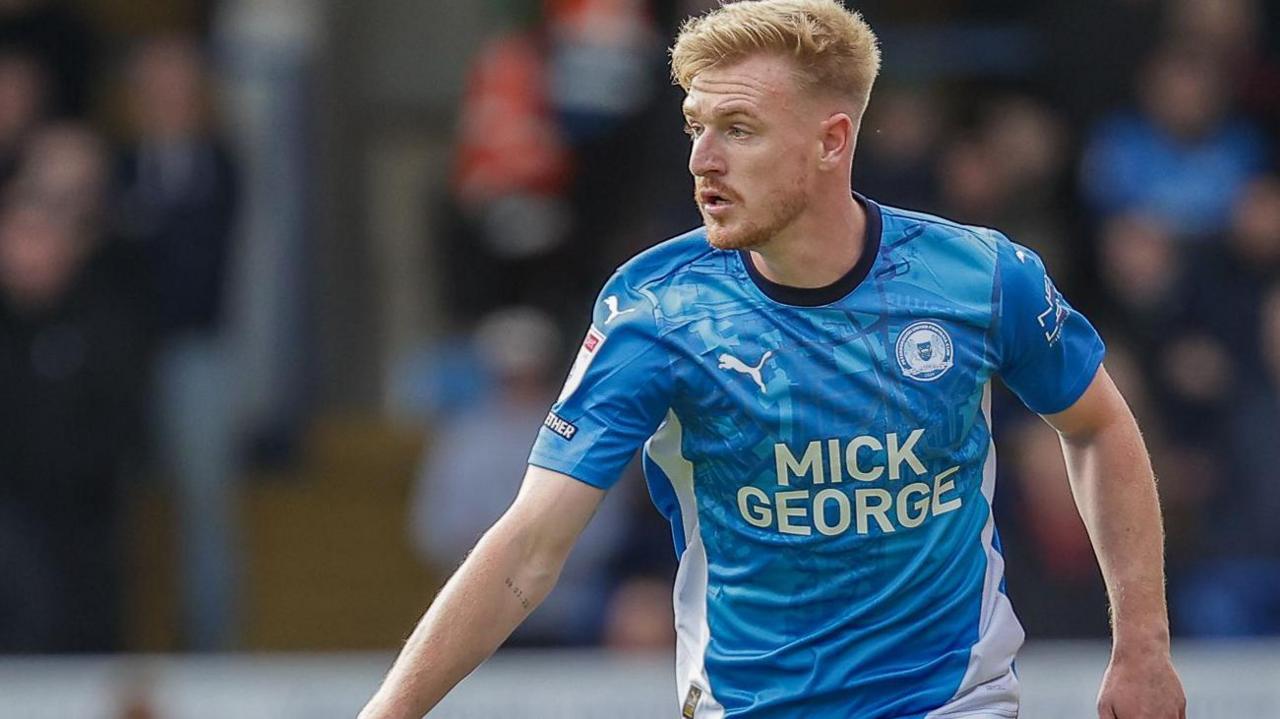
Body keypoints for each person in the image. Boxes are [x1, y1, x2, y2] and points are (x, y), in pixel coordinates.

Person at [361, 2, 1186, 717]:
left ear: (831, 142)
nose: (702, 160)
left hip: (948, 699)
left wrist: (1142, 643)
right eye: (696, 127)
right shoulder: (655, 310)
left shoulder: (980, 277)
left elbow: (1099, 424)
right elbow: (528, 545)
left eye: (739, 130)